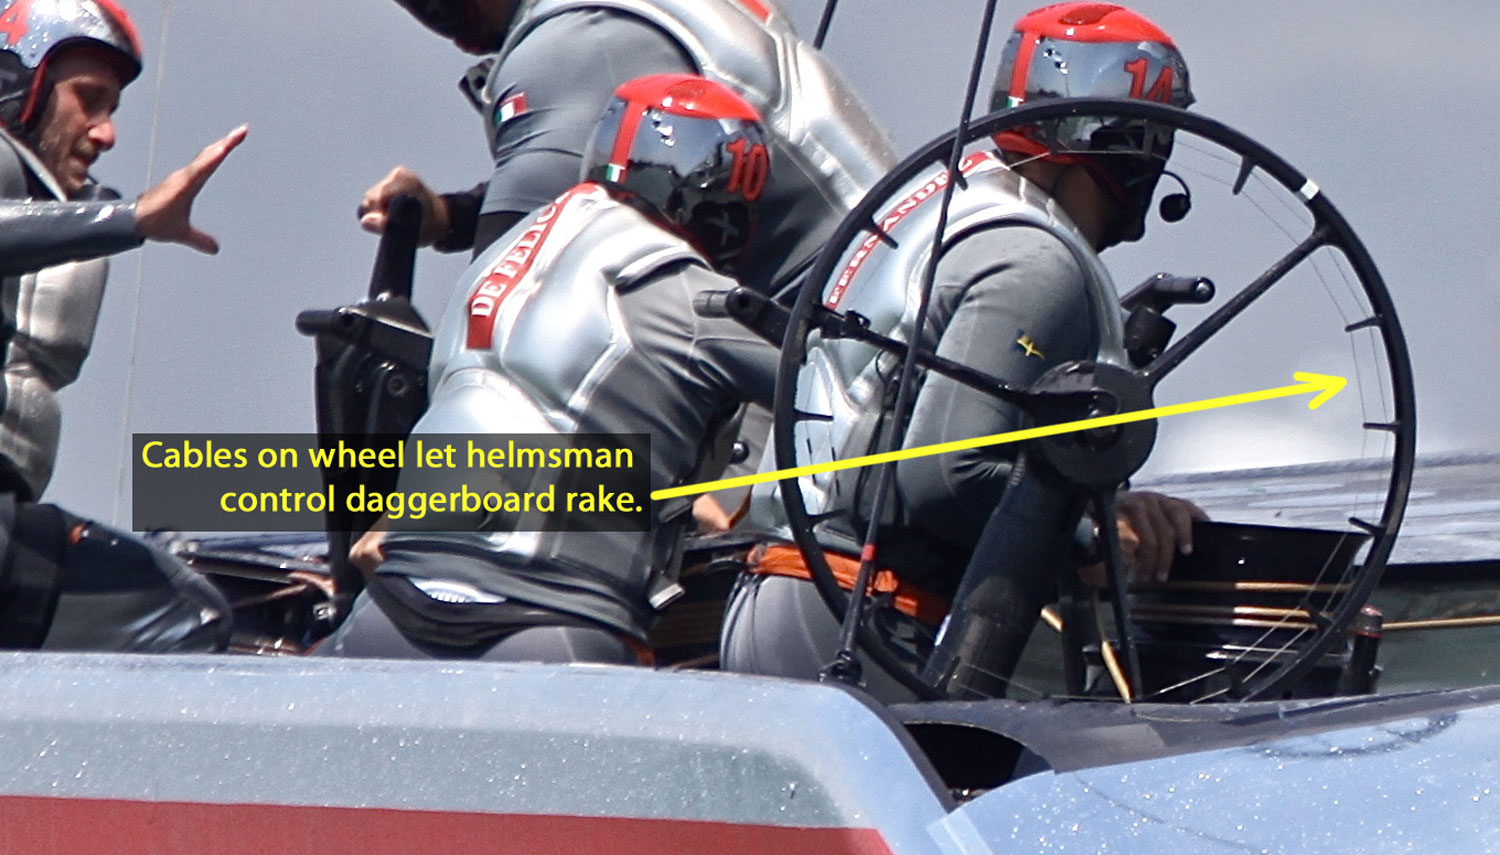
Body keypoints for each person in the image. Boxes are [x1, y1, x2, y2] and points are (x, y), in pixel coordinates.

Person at [719, 1, 1206, 701]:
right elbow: (946, 475)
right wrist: (1098, 538)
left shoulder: (947, 203)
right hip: (858, 618)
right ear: (1128, 146)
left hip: (783, 601)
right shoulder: (1037, 260)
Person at [322, 74, 779, 662]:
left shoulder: (503, 256)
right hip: (551, 629)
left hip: (389, 609)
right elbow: (836, 373)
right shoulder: (688, 291)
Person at [0, 0, 246, 651]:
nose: (106, 132)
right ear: (16, 85)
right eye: (89, 98)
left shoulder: (50, 197)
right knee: (187, 615)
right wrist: (134, 221)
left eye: (113, 110)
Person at [361, 0, 895, 298]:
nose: (432, 15)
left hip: (858, 355)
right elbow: (625, 171)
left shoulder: (569, 41)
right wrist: (450, 216)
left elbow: (498, 303)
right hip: (890, 294)